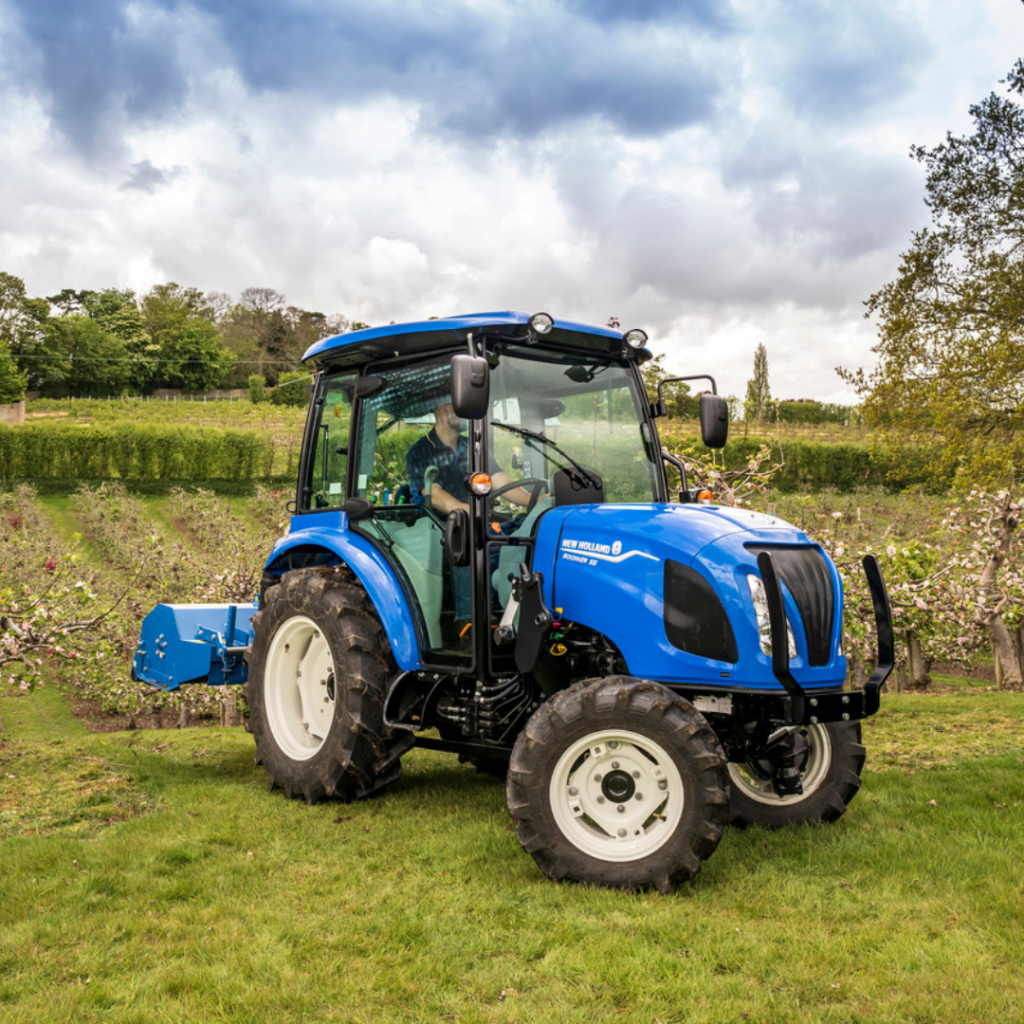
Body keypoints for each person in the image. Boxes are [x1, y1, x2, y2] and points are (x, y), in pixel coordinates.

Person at [405, 401, 535, 639]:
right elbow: (434, 494)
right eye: (461, 408)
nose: (469, 415)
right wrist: (474, 512)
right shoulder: (420, 451)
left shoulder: (473, 447)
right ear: (445, 409)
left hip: (478, 519)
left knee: (523, 527)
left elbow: (501, 482)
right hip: (441, 526)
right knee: (465, 532)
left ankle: (522, 606)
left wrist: (534, 500)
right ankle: (467, 621)